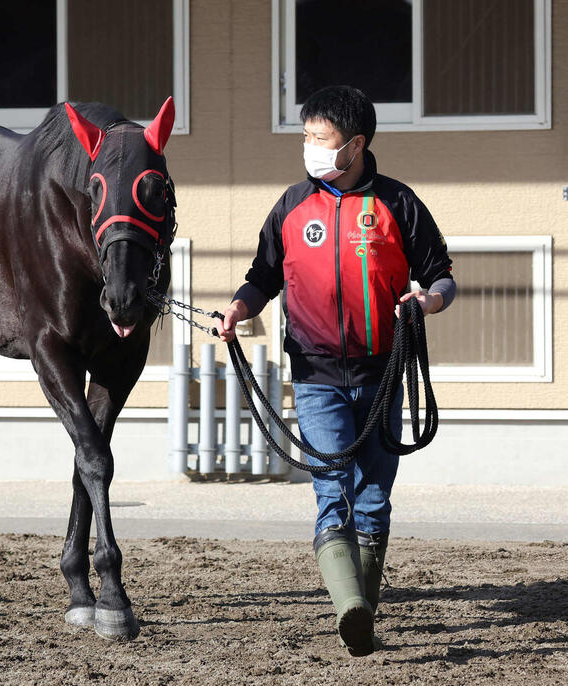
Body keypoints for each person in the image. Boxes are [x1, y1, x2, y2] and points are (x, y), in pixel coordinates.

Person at [215, 86, 455, 657]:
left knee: (374, 495)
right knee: (332, 490)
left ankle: (361, 615)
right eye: (306, 137)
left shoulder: (399, 203)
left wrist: (427, 303)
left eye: (318, 139)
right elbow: (262, 277)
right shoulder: (293, 205)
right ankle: (350, 606)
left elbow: (442, 275)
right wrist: (238, 309)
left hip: (384, 374)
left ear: (354, 145)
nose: (309, 148)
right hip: (317, 375)